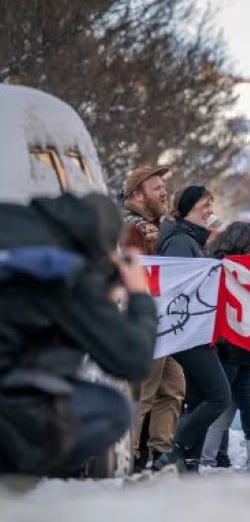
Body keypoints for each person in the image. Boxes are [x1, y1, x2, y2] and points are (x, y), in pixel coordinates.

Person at [0, 193, 157, 476]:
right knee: (111, 409)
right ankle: (15, 482)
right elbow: (133, 359)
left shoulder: (11, 220)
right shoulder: (62, 270)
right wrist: (137, 294)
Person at [152, 186, 233, 472]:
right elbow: (180, 289)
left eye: (211, 204)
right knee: (219, 396)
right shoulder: (179, 242)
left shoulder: (188, 240)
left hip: (193, 329)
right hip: (187, 332)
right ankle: (174, 451)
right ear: (187, 207)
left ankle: (190, 463)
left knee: (199, 396)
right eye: (205, 205)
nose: (210, 210)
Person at [197, 222, 250, 473]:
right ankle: (205, 459)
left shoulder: (249, 269)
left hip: (244, 350)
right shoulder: (223, 268)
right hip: (227, 349)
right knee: (222, 405)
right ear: (240, 243)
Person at [119, 165, 185, 472]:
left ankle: (161, 451)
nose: (164, 192)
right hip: (147, 322)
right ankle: (130, 455)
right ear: (137, 196)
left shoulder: (156, 227)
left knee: (172, 388)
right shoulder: (131, 230)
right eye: (157, 187)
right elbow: (135, 276)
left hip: (164, 322)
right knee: (144, 392)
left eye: (164, 186)